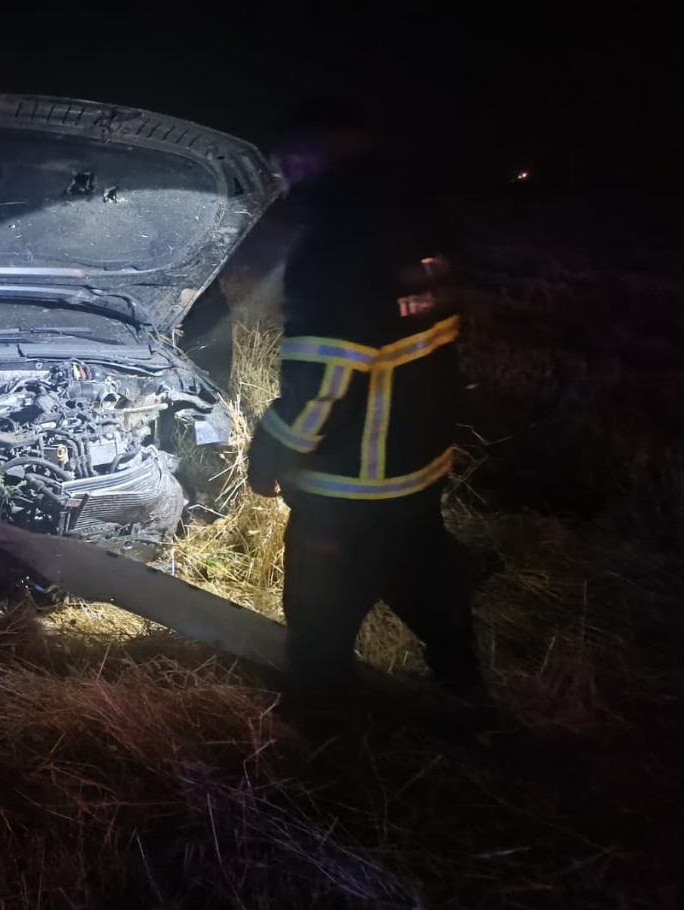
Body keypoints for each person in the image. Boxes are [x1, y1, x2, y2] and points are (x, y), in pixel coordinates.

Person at [245, 99, 483, 733]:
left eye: (287, 163)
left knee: (319, 612)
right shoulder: (419, 219)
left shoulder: (335, 246)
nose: (282, 177)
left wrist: (270, 450)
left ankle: (316, 738)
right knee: (422, 572)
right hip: (419, 460)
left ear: (311, 159)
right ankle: (464, 688)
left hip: (351, 479)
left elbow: (325, 380)